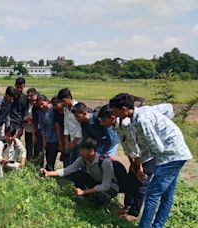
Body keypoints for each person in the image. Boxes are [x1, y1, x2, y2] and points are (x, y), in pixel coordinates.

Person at [109, 93, 192, 228]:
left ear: (124, 109)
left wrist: (152, 165)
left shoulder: (141, 120)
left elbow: (156, 146)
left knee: (152, 194)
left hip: (170, 156)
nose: (115, 114)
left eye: (115, 111)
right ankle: (157, 225)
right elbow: (168, 109)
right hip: (178, 151)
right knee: (166, 195)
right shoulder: (143, 111)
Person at [98, 104, 155, 221]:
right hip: (136, 157)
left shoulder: (125, 125)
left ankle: (134, 213)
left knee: (141, 184)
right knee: (131, 181)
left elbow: (135, 147)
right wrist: (132, 163)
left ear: (112, 118)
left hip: (147, 155)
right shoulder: (116, 127)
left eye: (104, 120)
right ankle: (127, 206)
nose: (102, 124)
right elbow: (126, 147)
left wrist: (138, 168)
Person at [40, 138, 119, 205]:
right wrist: (48, 173)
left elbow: (106, 185)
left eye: (82, 150)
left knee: (100, 198)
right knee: (75, 173)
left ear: (91, 150)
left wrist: (84, 191)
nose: (80, 153)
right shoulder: (83, 159)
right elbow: (68, 170)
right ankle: (88, 195)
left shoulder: (105, 162)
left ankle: (101, 200)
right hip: (97, 182)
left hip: (110, 186)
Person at [57, 88, 82, 164]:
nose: (62, 103)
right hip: (71, 139)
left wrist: (75, 141)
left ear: (69, 98)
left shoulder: (78, 108)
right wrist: (67, 140)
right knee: (71, 161)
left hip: (80, 140)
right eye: (61, 101)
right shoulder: (66, 109)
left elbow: (82, 126)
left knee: (79, 162)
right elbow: (66, 124)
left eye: (63, 101)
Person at [0, 86, 15, 153]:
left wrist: (7, 130)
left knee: (1, 143)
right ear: (6, 95)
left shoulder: (10, 103)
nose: (12, 99)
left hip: (2, 125)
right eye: (11, 97)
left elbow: (7, 117)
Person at [37, 94, 59, 171]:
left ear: (47, 101)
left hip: (55, 137)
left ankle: (50, 171)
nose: (41, 106)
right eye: (39, 105)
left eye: (42, 104)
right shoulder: (40, 112)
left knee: (51, 157)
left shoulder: (54, 109)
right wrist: (44, 140)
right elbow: (42, 127)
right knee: (47, 155)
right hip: (47, 137)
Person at [51, 96, 67, 165]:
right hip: (62, 133)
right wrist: (60, 142)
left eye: (55, 105)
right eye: (53, 106)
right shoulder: (56, 112)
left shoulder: (67, 110)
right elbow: (57, 127)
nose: (54, 107)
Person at [24, 88, 38, 161]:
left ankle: (36, 162)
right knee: (28, 147)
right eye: (28, 96)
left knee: (36, 147)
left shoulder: (38, 104)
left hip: (36, 130)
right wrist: (26, 119)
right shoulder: (26, 104)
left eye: (31, 96)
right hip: (27, 129)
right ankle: (29, 162)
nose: (29, 97)